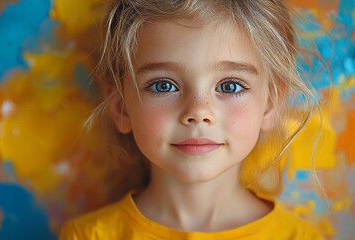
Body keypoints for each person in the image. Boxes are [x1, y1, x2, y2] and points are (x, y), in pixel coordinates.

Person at [60, 0, 325, 239]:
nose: (198, 112)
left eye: (230, 86)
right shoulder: (89, 236)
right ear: (121, 107)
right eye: (163, 85)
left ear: (270, 104)